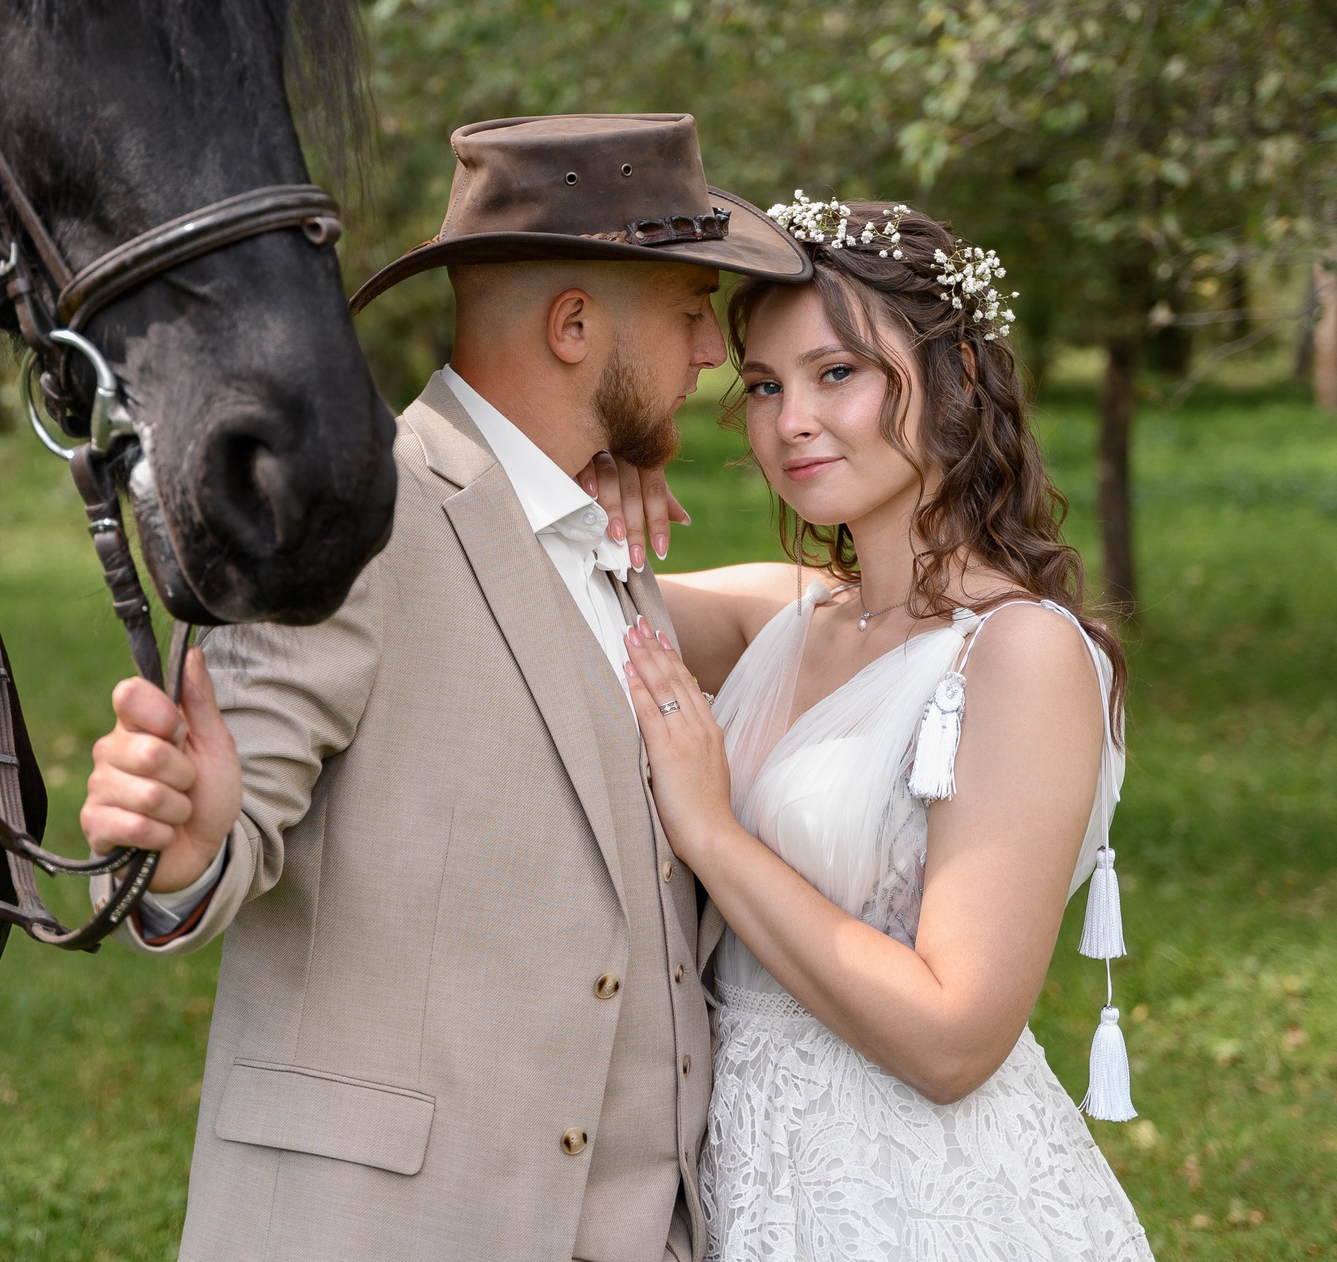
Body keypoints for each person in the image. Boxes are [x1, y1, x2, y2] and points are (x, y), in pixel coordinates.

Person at [76, 114, 811, 1262]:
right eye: (687, 315)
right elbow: (236, 802)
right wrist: (192, 839)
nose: (710, 355)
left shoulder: (596, 528)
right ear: (576, 326)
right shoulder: (355, 519)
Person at [579, 196, 1152, 1260]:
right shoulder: (783, 615)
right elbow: (568, 583)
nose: (789, 417)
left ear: (958, 378)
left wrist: (711, 832)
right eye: (762, 385)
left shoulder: (1018, 654)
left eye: (836, 372)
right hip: (733, 1176)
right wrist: (606, 458)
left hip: (913, 1195)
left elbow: (953, 1037)